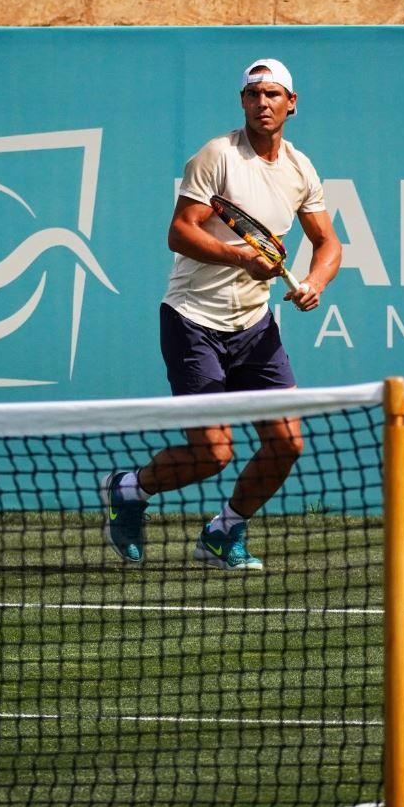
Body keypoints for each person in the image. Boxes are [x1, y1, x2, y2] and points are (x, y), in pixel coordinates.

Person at [100, 58, 342, 570]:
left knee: (286, 444)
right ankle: (129, 489)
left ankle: (222, 533)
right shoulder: (217, 157)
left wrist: (314, 283)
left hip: (255, 327)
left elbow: (327, 243)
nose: (263, 104)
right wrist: (240, 256)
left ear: (291, 103)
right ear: (243, 102)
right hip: (193, 321)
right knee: (213, 454)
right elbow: (180, 231)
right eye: (254, 95)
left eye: (273, 95)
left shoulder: (300, 169)